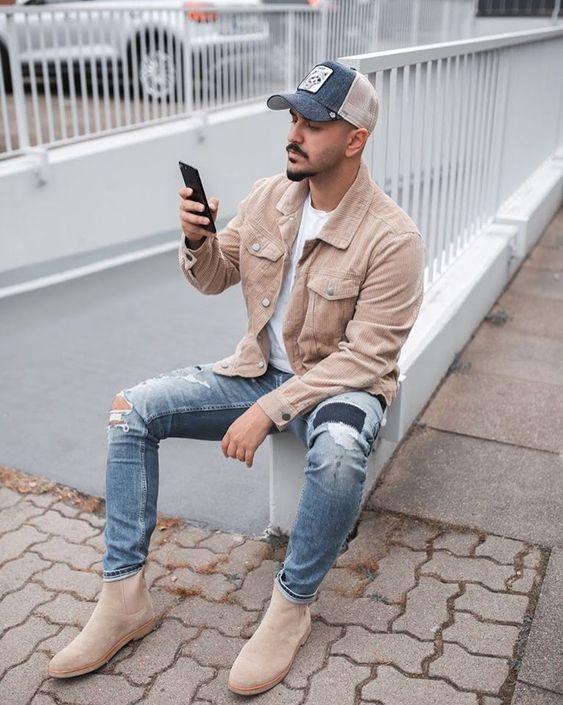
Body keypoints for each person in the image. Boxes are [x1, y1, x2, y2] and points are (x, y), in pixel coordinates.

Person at [48, 60, 424, 695]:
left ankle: (291, 606)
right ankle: (123, 600)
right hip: (256, 372)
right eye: (293, 118)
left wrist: (271, 410)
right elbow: (216, 276)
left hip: (340, 388)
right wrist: (197, 241)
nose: (295, 133)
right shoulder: (269, 196)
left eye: (314, 123)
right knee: (130, 410)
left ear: (355, 138)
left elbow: (365, 360)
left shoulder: (393, 238)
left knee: (336, 456)